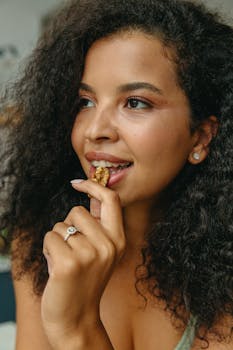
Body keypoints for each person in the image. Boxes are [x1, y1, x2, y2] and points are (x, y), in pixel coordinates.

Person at [0, 0, 232, 349]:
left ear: (199, 136)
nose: (96, 130)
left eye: (136, 102)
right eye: (85, 102)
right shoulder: (37, 239)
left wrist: (78, 327)